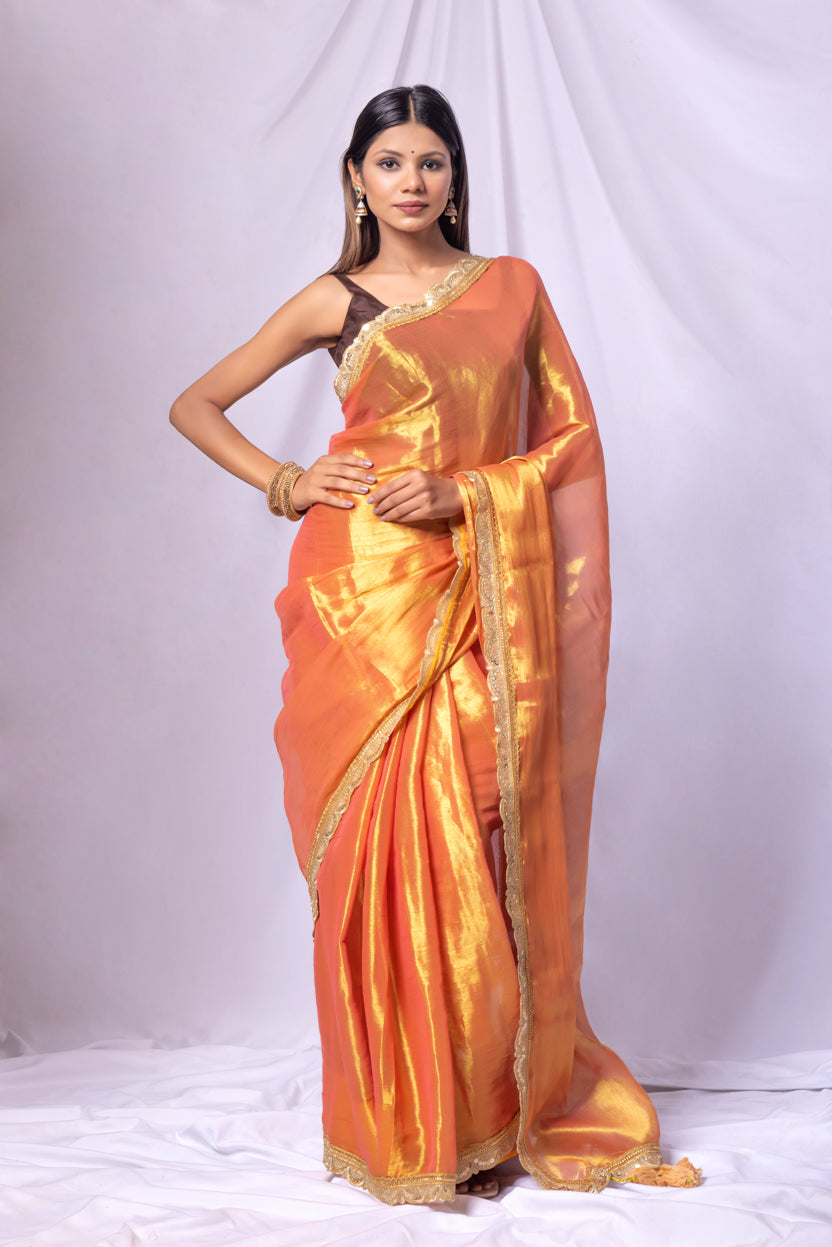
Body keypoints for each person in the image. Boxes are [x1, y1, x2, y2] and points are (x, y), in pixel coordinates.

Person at [169, 84, 702, 1206]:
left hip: (469, 581)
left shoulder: (512, 291)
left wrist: (462, 491)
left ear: (454, 176)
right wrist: (287, 480)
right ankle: (400, 1114)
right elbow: (196, 402)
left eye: (433, 162)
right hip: (358, 588)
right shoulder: (334, 299)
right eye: (391, 162)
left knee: (471, 822)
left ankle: (484, 1103)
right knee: (376, 847)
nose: (413, 181)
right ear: (356, 180)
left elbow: (566, 443)